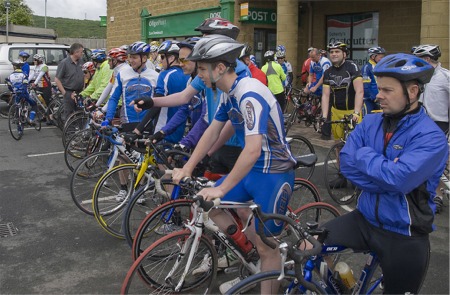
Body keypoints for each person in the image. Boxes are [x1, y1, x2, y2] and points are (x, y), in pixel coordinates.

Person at [172, 34, 296, 295]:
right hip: (252, 173)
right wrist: (187, 167)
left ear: (220, 68)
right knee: (204, 203)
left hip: (273, 173)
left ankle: (282, 260)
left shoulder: (249, 92)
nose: (200, 75)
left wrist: (220, 188)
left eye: (203, 69)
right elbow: (212, 132)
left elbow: (251, 149)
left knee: (267, 246)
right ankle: (258, 260)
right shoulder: (229, 93)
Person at [322, 53, 448, 294]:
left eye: (387, 90)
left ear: (412, 92)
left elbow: (398, 179)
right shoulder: (370, 122)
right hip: (364, 218)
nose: (378, 95)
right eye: (379, 89)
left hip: (404, 233)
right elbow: (346, 164)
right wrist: (386, 174)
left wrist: (365, 155)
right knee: (310, 248)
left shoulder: (431, 137)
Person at [133, 17, 249, 177]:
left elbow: (231, 120)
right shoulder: (208, 71)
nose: (202, 41)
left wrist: (205, 152)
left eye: (206, 37)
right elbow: (184, 97)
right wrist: (152, 101)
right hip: (214, 142)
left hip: (236, 146)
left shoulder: (239, 72)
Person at [413, 44, 450, 213]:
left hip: (440, 123)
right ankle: (425, 192)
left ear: (427, 59)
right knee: (423, 159)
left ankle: (438, 195)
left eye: (418, 59)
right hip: (422, 122)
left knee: (439, 162)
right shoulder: (420, 76)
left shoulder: (445, 76)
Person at [321, 41, 363, 141]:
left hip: (352, 111)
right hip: (336, 111)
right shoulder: (328, 72)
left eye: (337, 51)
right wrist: (324, 116)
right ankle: (339, 157)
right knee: (337, 143)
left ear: (344, 54)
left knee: (355, 143)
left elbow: (359, 91)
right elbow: (325, 95)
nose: (334, 54)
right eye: (331, 52)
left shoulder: (352, 67)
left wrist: (356, 112)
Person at [54, 43, 85, 122]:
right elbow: (57, 79)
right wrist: (64, 93)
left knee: (80, 113)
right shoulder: (64, 63)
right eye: (81, 52)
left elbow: (84, 75)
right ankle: (68, 132)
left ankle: (77, 131)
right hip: (69, 92)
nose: (82, 54)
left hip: (79, 92)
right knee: (68, 114)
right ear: (75, 52)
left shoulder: (81, 62)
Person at [6, 60, 37, 126]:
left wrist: (13, 91)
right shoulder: (24, 75)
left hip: (16, 94)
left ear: (14, 67)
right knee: (34, 104)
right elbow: (25, 85)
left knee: (17, 107)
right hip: (24, 94)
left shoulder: (10, 76)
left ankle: (18, 126)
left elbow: (9, 87)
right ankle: (31, 120)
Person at [361, 46, 386, 114]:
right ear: (373, 57)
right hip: (369, 101)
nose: (382, 59)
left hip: (379, 99)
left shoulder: (380, 67)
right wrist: (374, 98)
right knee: (368, 120)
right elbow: (366, 86)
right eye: (380, 57)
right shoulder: (367, 68)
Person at [30, 54, 52, 124]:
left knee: (47, 102)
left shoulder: (44, 67)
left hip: (46, 86)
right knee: (41, 102)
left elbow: (40, 76)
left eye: (35, 60)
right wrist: (25, 82)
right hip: (40, 86)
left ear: (40, 60)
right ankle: (44, 117)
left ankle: (51, 118)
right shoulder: (35, 67)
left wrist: (34, 83)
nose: (34, 61)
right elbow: (31, 75)